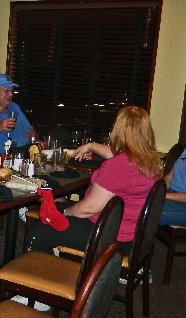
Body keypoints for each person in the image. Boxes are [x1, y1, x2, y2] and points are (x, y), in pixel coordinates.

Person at [28, 106, 161, 254]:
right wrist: (90, 146)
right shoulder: (149, 160)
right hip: (132, 233)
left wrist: (66, 212)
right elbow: (117, 154)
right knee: (55, 209)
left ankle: (50, 274)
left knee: (40, 229)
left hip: (107, 235)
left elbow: (89, 208)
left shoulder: (118, 166)